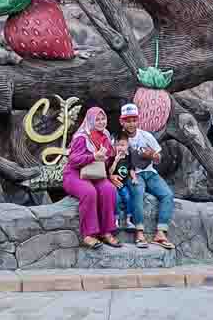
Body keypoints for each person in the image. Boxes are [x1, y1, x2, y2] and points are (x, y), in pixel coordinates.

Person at [63, 105, 121, 248]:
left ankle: (106, 232)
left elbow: (106, 161)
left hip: (95, 173)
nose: (101, 122)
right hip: (75, 174)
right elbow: (73, 160)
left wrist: (115, 160)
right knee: (89, 192)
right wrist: (93, 156)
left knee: (109, 190)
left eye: (103, 119)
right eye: (97, 119)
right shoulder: (82, 137)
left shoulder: (106, 136)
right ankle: (88, 234)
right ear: (90, 120)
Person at [118, 102, 173, 249]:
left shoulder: (146, 136)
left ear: (138, 120)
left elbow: (159, 157)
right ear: (121, 121)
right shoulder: (120, 139)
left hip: (150, 172)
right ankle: (140, 232)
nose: (131, 124)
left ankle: (160, 233)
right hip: (133, 173)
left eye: (134, 120)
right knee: (137, 193)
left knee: (167, 194)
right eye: (127, 121)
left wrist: (153, 155)